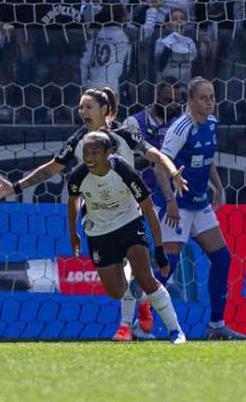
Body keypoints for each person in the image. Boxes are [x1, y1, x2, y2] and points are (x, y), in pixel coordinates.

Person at [0, 87, 188, 341]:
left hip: (128, 215)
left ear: (104, 111)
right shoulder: (79, 142)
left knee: (141, 271)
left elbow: (155, 154)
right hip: (98, 223)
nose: (82, 111)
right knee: (118, 287)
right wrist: (15, 187)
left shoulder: (124, 135)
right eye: (80, 107)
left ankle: (137, 326)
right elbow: (51, 169)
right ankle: (140, 298)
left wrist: (172, 171)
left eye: (88, 106)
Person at [66, 131, 186, 344]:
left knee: (145, 278)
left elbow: (148, 210)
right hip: (99, 231)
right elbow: (73, 202)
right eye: (86, 153)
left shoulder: (124, 171)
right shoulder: (77, 176)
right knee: (116, 291)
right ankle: (142, 300)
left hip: (129, 223)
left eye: (95, 152)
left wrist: (159, 251)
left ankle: (175, 331)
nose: (89, 158)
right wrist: (74, 233)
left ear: (109, 152)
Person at [152, 76, 246, 340]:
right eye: (203, 98)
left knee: (222, 258)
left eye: (212, 97)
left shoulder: (212, 123)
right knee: (166, 266)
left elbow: (208, 158)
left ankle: (216, 325)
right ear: (191, 101)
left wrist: (218, 186)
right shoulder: (181, 128)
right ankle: (139, 322)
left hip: (199, 203)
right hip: (177, 206)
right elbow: (160, 165)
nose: (209, 103)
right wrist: (170, 201)